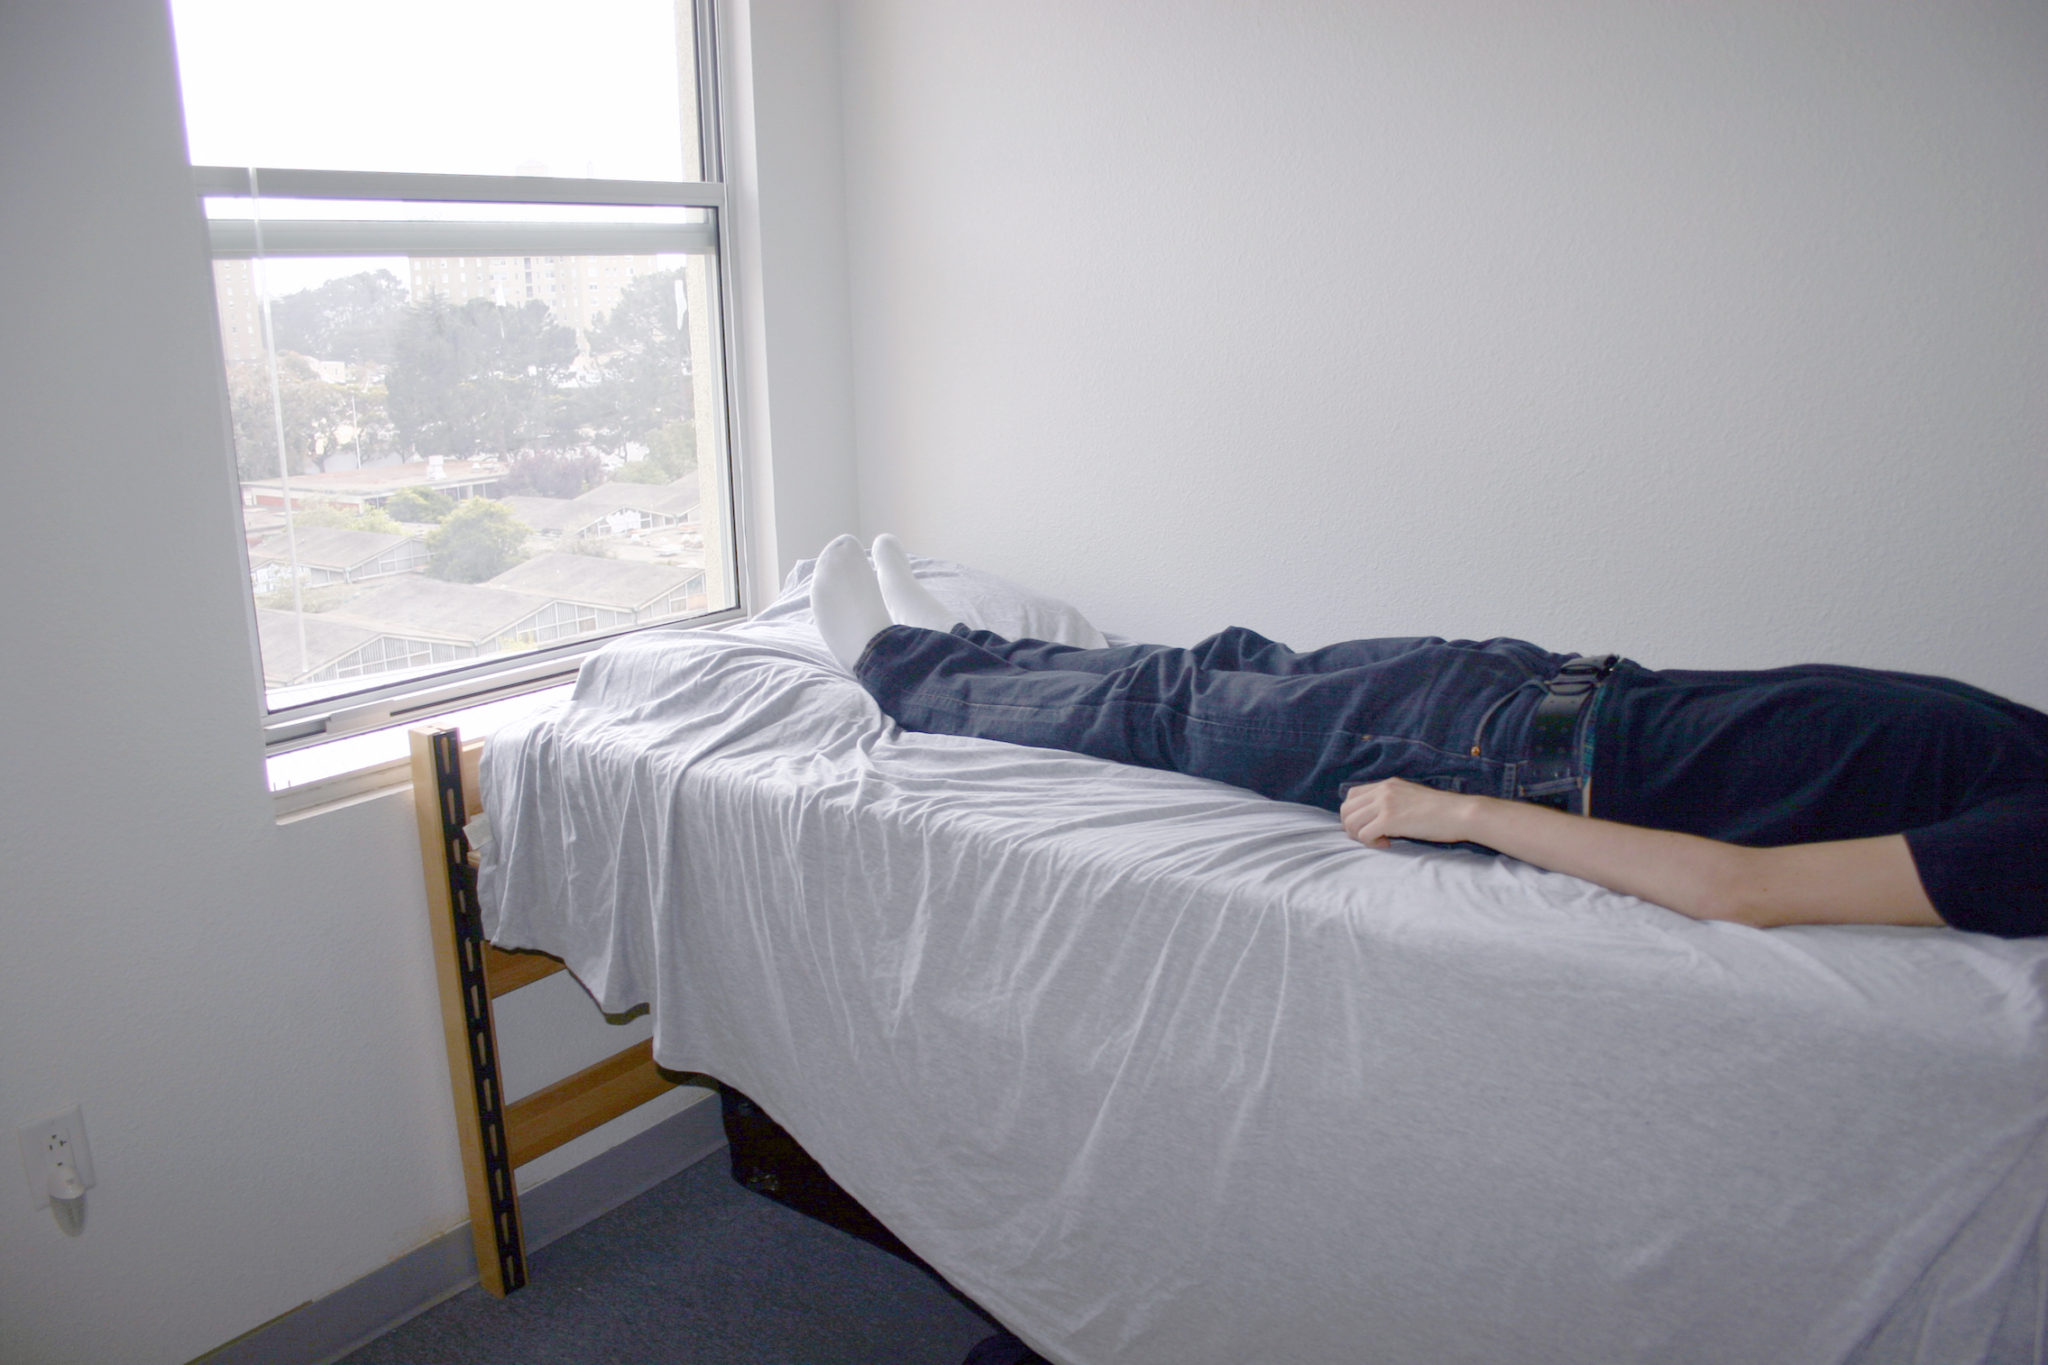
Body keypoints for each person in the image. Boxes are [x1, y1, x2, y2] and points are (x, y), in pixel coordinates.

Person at [808, 534, 2048, 938]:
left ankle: (899, 666)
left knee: (1176, 708)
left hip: (1508, 761)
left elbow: (1746, 889)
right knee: (1221, 673)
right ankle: (962, 653)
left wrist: (1453, 813)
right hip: (1545, 689)